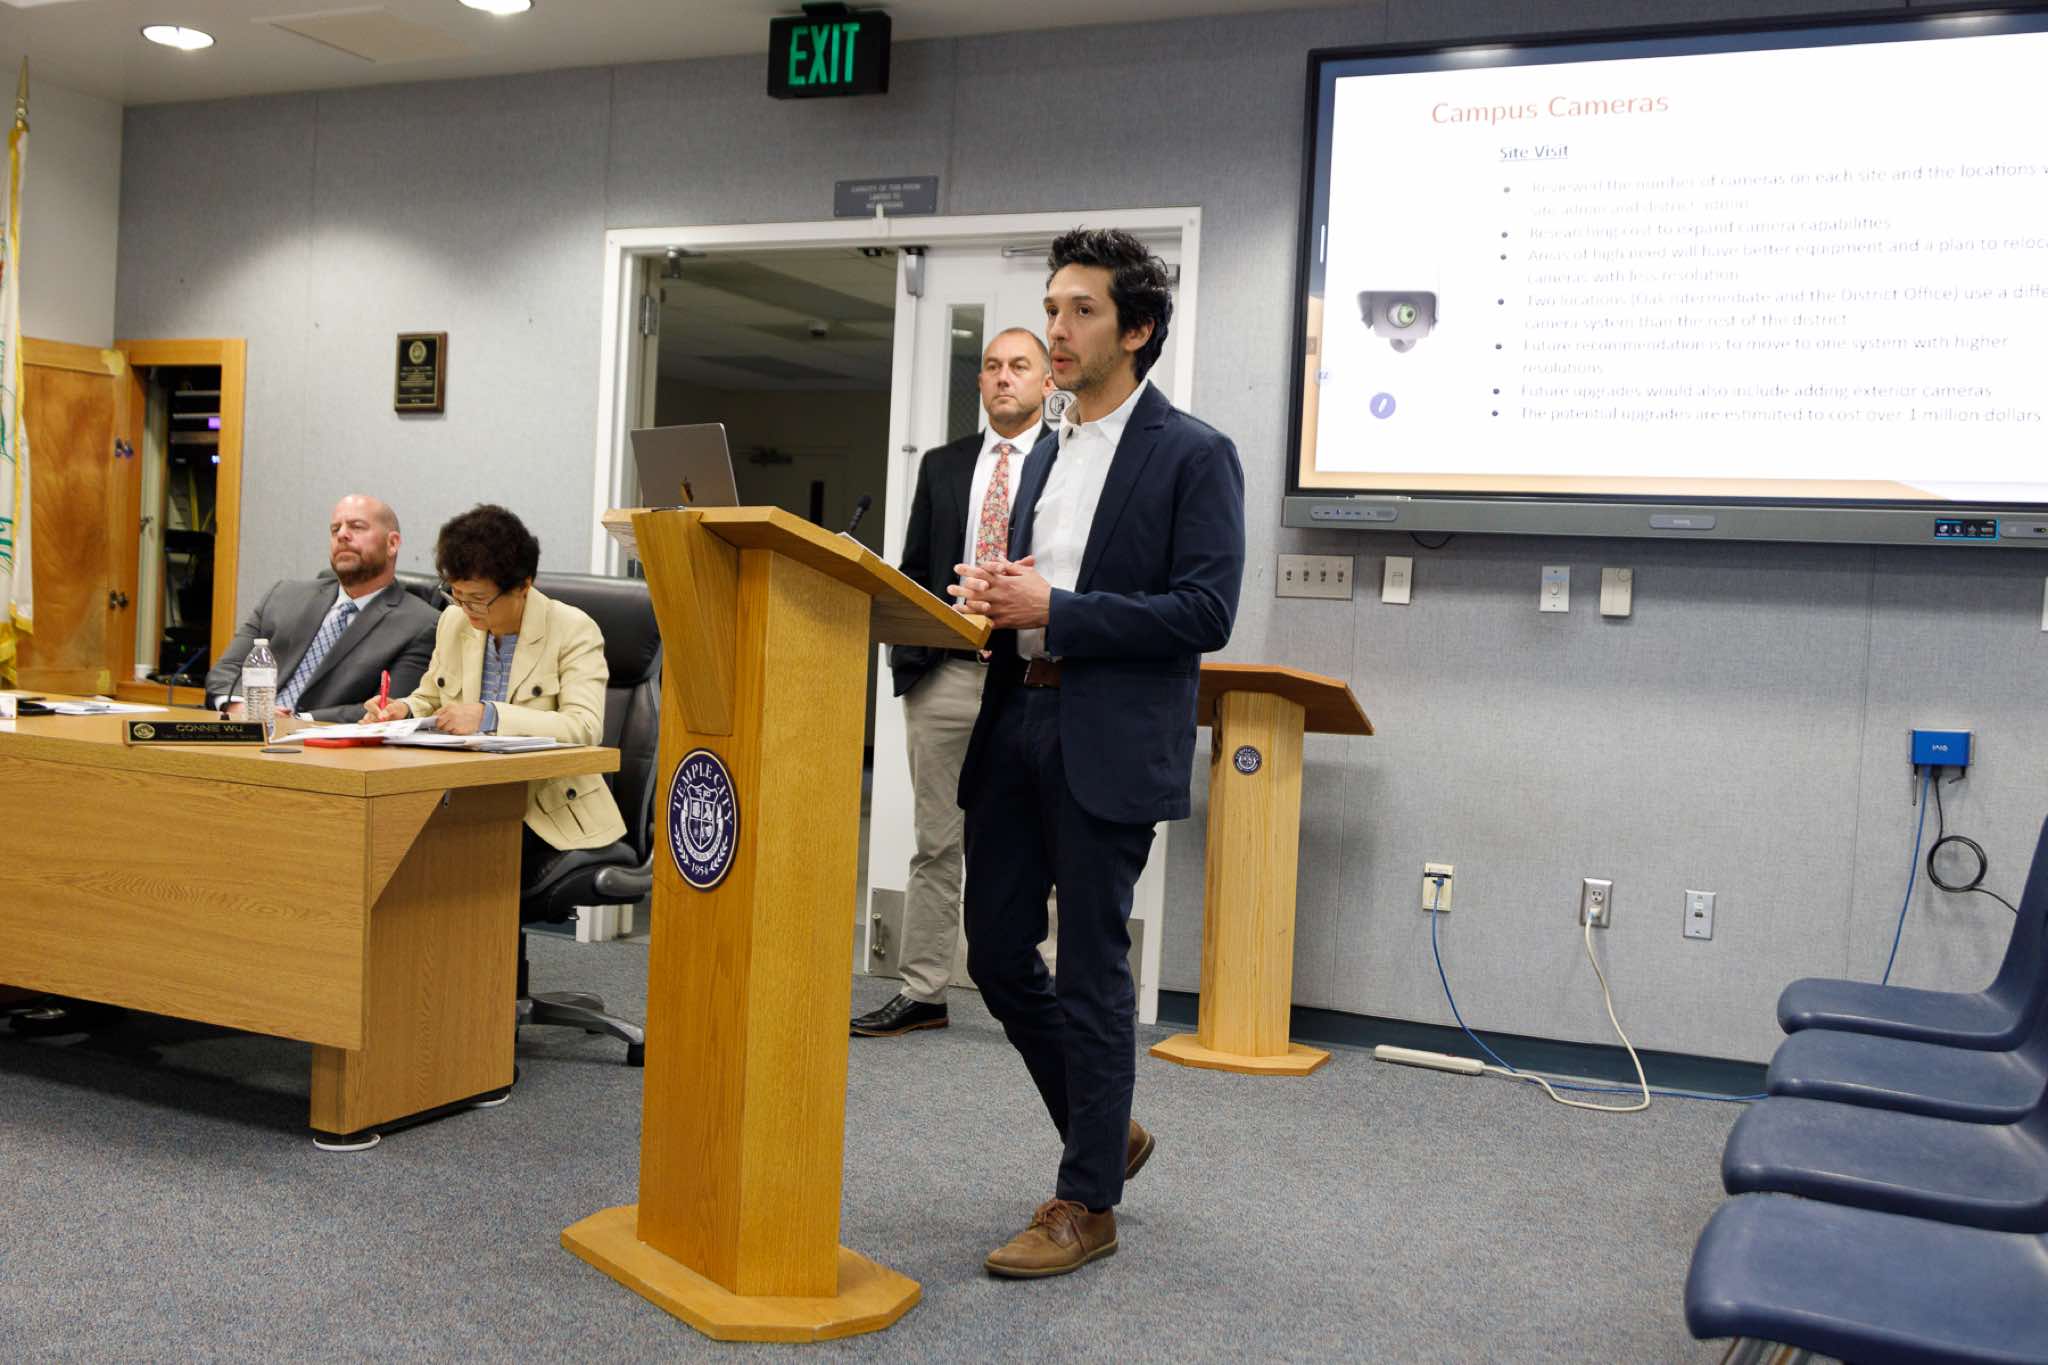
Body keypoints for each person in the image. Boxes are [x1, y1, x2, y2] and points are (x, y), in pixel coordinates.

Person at [950, 229, 1246, 1278]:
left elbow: (1204, 610)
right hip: (1016, 718)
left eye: (1081, 310)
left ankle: (1086, 1202)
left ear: (1137, 329)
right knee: (993, 952)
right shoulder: (1048, 448)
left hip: (1108, 736)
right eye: (1052, 307)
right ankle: (1104, 1127)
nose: (1058, 329)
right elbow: (1037, 587)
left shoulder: (1193, 453)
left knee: (1089, 968)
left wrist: (1058, 609)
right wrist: (994, 602)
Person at [852, 328, 1055, 1039]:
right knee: (936, 841)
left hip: (1029, 681)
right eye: (993, 366)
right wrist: (910, 655)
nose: (1003, 377)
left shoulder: (1068, 462)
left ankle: (1038, 992)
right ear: (980, 383)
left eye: (1019, 366)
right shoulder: (943, 465)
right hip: (945, 677)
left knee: (1032, 844)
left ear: (1047, 382)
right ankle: (924, 990)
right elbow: (913, 570)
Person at [363, 504, 625, 870]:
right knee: (382, 843)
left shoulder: (573, 629)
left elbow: (584, 727)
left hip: (544, 811)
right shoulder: (454, 621)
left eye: (478, 599)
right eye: (456, 594)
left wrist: (491, 716)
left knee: (446, 859)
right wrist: (402, 710)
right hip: (464, 796)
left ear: (523, 586)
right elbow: (431, 697)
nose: (466, 608)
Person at [205, 494, 437, 722]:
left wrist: (297, 720)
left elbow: (388, 707)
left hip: (326, 741)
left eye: (357, 527)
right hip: (247, 728)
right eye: (335, 529)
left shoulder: (422, 624)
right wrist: (241, 707)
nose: (342, 535)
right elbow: (227, 670)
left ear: (392, 543)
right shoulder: (283, 595)